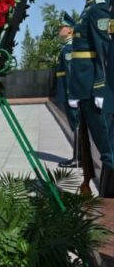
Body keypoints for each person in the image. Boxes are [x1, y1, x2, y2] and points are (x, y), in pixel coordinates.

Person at [67, 0, 114, 196]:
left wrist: (100, 86)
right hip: (83, 89)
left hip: (95, 90)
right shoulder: (87, 11)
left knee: (109, 150)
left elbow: (104, 52)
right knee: (101, 149)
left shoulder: (99, 9)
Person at [54, 13, 81, 168]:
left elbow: (71, 73)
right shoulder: (68, 47)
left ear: (70, 30)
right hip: (68, 92)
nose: (59, 29)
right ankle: (79, 158)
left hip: (70, 93)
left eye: (62, 27)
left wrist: (73, 94)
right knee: (75, 124)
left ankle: (77, 159)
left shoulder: (69, 49)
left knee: (75, 124)